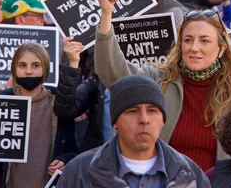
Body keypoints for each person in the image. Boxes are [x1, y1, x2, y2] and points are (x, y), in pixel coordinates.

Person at [93, 0, 231, 171]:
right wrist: (106, 14)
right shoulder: (158, 79)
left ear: (221, 49)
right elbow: (114, 75)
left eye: (204, 41)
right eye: (187, 40)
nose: (194, 47)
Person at [57, 75, 211, 187]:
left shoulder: (189, 174)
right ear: (115, 121)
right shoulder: (80, 172)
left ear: (163, 120)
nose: (144, 119)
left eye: (152, 111)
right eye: (132, 111)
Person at [0, 43, 78, 187]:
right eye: (22, 65)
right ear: (14, 69)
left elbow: (73, 150)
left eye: (35, 65)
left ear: (45, 69)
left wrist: (65, 160)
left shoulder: (58, 104)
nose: (29, 71)